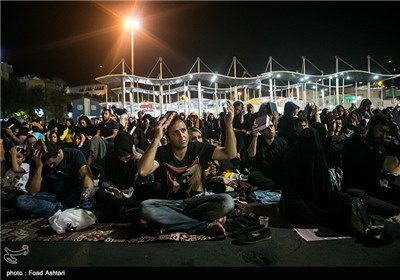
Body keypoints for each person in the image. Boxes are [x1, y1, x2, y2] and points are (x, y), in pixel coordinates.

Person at [137, 101, 237, 237]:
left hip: (197, 203)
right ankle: (201, 226)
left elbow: (229, 153)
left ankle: (172, 223)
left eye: (183, 131)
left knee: (227, 202)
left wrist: (229, 125)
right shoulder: (163, 152)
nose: (182, 136)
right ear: (168, 137)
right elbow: (143, 171)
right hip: (172, 205)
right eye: (175, 133)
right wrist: (156, 139)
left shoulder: (198, 148)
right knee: (145, 207)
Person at [15, 141, 95, 218]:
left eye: (52, 163)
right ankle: (64, 209)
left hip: (72, 193)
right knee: (21, 201)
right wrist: (39, 167)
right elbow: (32, 191)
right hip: (50, 196)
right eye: (48, 164)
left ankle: (59, 210)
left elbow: (87, 175)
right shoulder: (38, 161)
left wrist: (86, 194)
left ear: (59, 153)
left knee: (91, 189)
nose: (50, 166)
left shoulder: (74, 154)